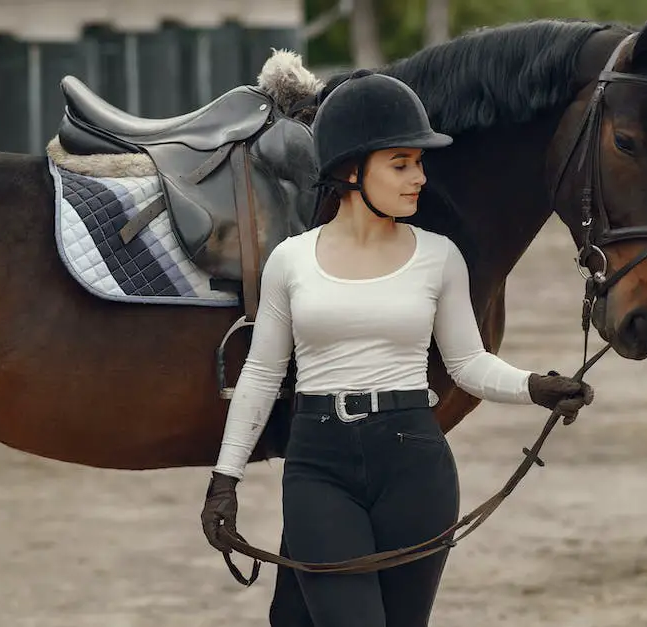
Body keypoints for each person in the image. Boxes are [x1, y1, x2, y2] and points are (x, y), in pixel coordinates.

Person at [200, 70, 594, 627]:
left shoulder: (439, 257)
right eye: (402, 164)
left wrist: (535, 386)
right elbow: (263, 374)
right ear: (350, 169)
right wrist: (225, 479)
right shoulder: (291, 260)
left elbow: (467, 364)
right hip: (319, 466)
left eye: (420, 164)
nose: (419, 179)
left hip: (414, 463)